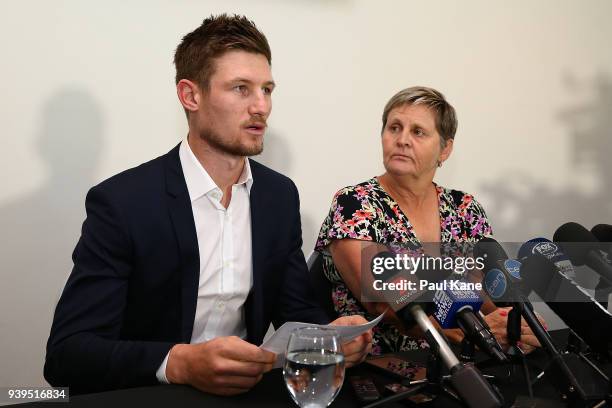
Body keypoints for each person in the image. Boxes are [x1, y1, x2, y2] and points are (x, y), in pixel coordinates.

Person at [44, 14, 371, 396]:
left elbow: (296, 313)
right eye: (240, 89)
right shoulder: (123, 203)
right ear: (190, 95)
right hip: (148, 395)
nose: (261, 106)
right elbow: (68, 355)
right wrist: (181, 362)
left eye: (267, 89)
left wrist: (331, 337)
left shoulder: (278, 197)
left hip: (244, 395)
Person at [315, 86, 544, 355]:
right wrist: (477, 328)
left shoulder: (464, 208)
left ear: (445, 149)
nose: (402, 140)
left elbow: (486, 296)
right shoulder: (355, 204)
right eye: (394, 128)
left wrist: (513, 324)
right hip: (382, 364)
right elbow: (385, 305)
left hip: (467, 358)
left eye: (418, 132)